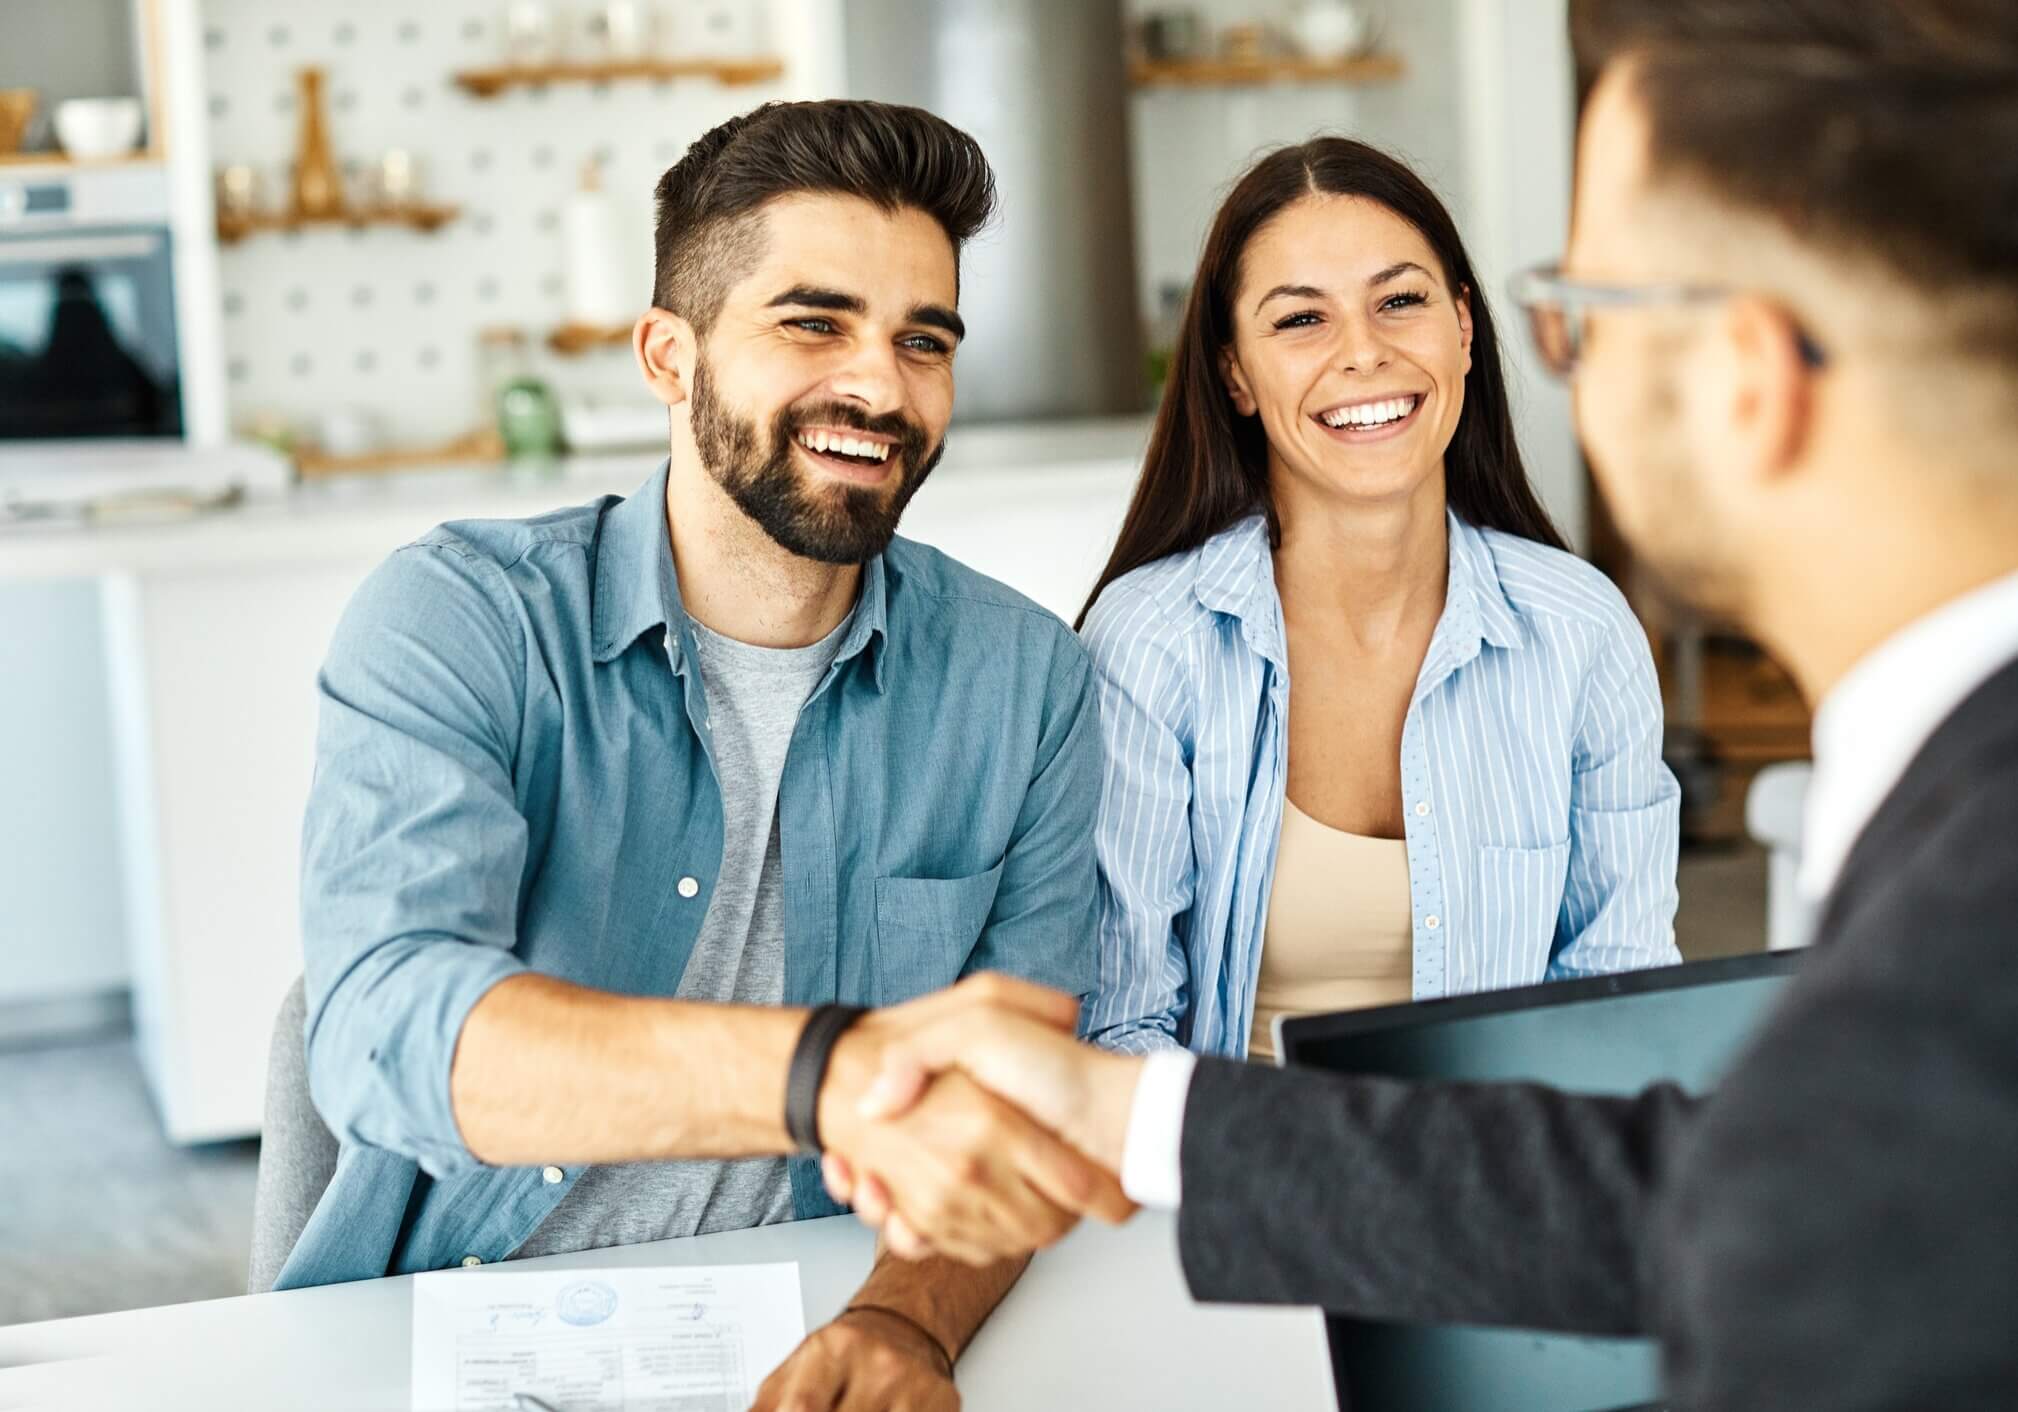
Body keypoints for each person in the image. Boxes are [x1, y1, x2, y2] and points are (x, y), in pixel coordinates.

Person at [829, 2, 2018, 1405]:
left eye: (1584, 313)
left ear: (1743, 379)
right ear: (1235, 372)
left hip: (1477, 1255)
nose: (1560, 353)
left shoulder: (1931, 854)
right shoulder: (1940, 806)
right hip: (1289, 1258)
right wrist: (1126, 1111)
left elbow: (1737, 1203)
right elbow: (1735, 1201)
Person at [282, 99, 1126, 1412]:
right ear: (668, 359)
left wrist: (908, 1324)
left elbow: (1008, 1114)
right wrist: (822, 1076)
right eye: (813, 323)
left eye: (922, 339)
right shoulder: (462, 617)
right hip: (467, 1320)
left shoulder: (1027, 684)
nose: (879, 387)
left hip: (819, 1320)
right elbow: (386, 1029)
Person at [1078, 139, 1679, 1062]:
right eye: (1300, 321)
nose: (1364, 353)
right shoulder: (1153, 643)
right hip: (1236, 1175)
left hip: (1503, 1171)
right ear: (1234, 372)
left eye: (1400, 301)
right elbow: (1119, 1030)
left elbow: (1623, 1002)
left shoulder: (1582, 630)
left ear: (1466, 330)